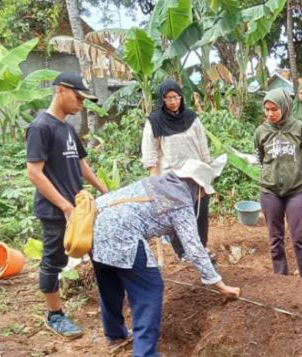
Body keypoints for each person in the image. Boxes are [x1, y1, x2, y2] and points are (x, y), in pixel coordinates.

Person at [90, 160, 240, 356]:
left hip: (94, 230)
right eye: (203, 192)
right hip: (123, 236)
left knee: (110, 279)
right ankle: (146, 353)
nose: (202, 196)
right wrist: (221, 286)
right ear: (199, 186)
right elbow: (194, 248)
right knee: (149, 289)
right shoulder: (179, 200)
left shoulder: (156, 183)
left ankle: (115, 335)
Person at [26, 72, 109, 339]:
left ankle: (110, 303)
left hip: (79, 208)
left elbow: (81, 164)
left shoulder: (68, 128)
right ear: (61, 91)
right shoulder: (41, 126)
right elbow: (34, 172)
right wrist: (64, 206)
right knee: (54, 261)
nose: (81, 104)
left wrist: (104, 191)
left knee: (97, 250)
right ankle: (55, 315)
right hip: (56, 210)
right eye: (78, 97)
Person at [141, 80, 212, 259]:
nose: (173, 101)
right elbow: (150, 152)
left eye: (176, 97)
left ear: (181, 97)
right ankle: (182, 252)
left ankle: (201, 249)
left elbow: (203, 148)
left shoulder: (191, 118)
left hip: (196, 175)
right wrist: (154, 180)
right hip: (171, 178)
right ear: (162, 100)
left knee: (200, 213)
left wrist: (207, 173)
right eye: (168, 98)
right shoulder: (155, 122)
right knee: (175, 217)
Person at [254, 89, 302, 279]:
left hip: (295, 190)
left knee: (299, 236)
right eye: (267, 109)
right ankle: (281, 278)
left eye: (275, 109)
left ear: (285, 107)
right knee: (275, 239)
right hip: (270, 190)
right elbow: (261, 158)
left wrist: (293, 172)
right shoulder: (261, 132)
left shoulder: (298, 128)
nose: (270, 114)